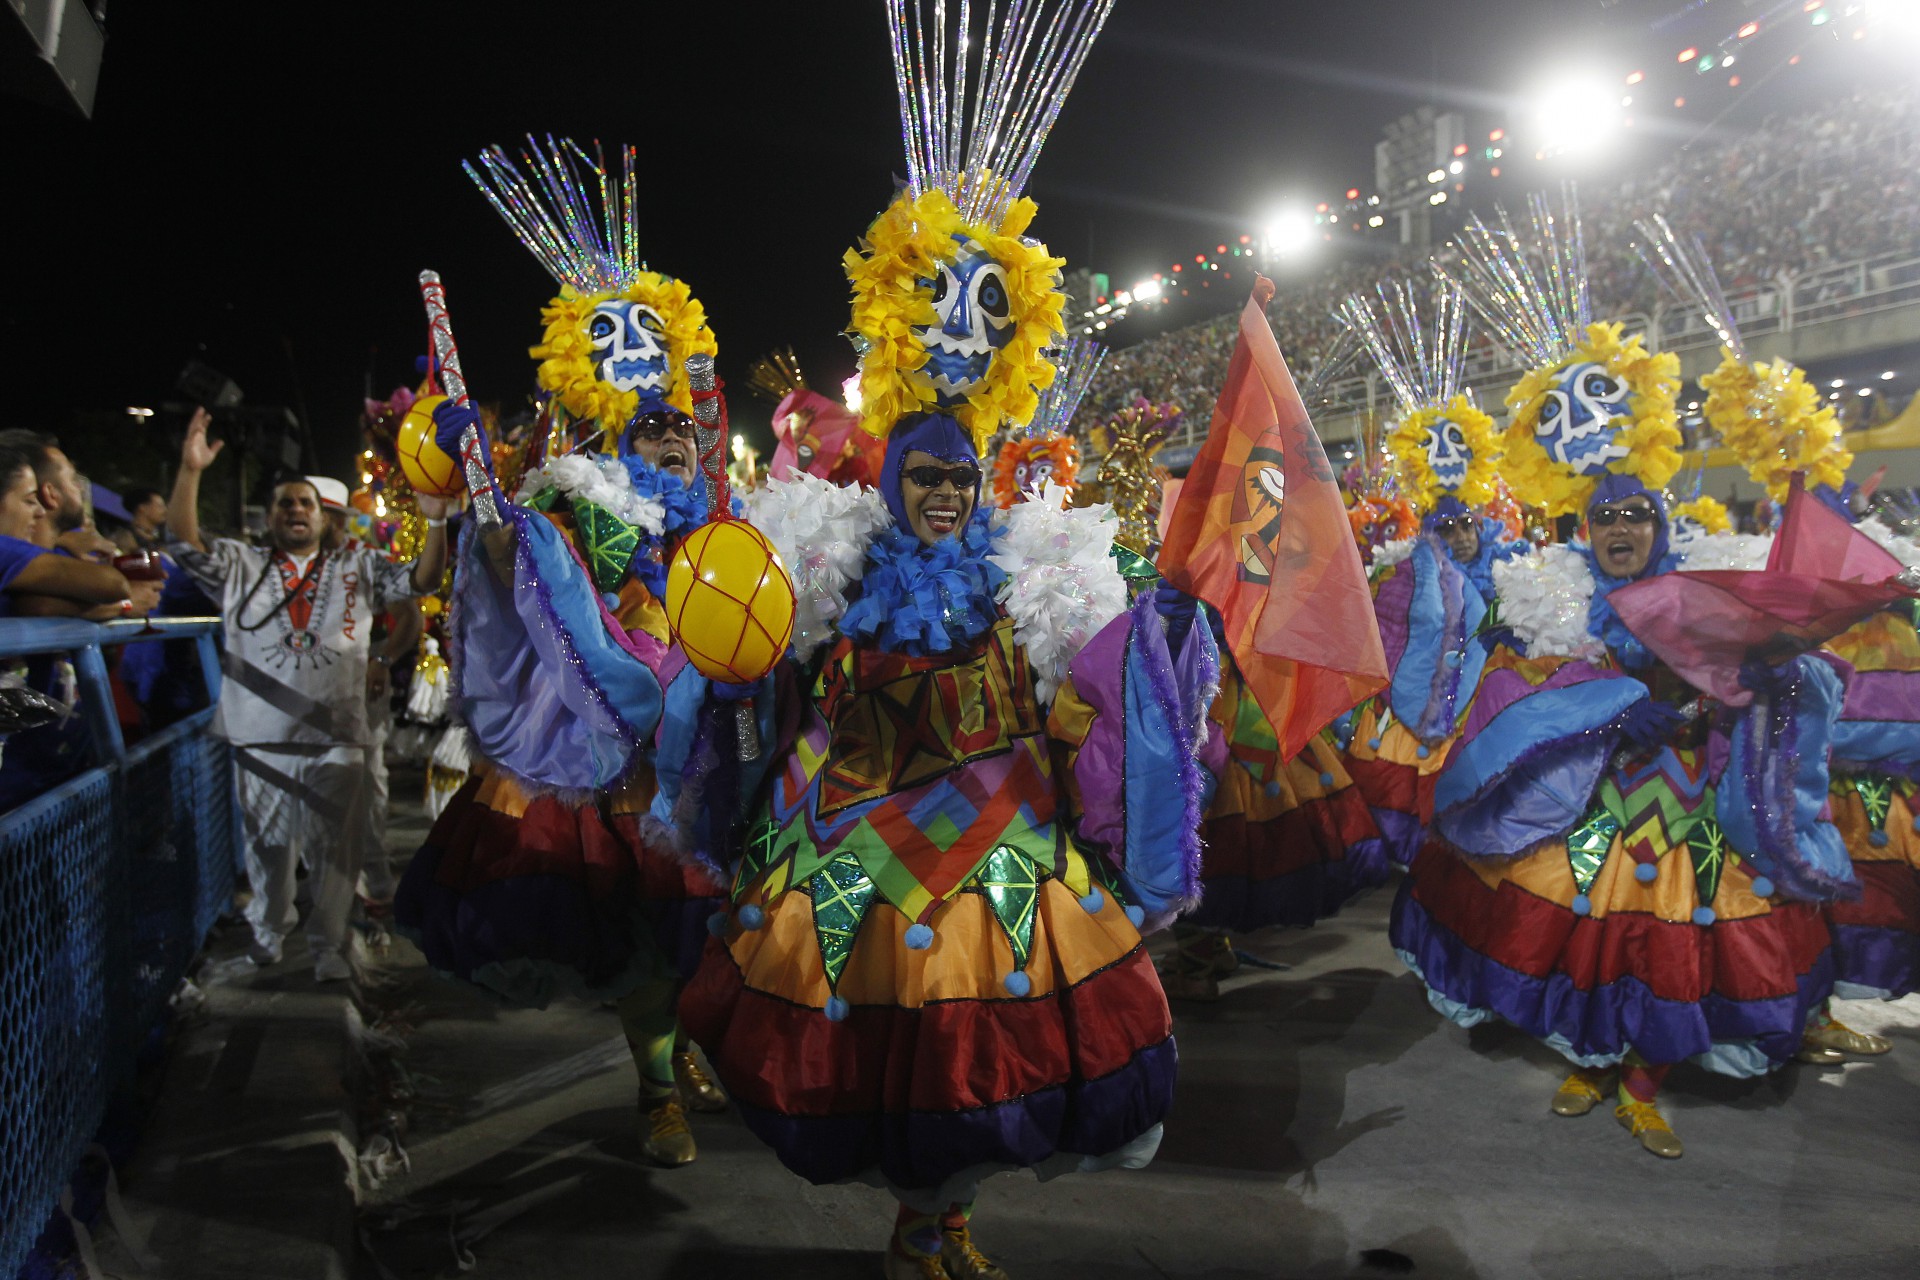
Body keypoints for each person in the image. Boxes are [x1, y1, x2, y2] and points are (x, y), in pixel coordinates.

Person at [672, 11, 1219, 1276]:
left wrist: (1166, 623)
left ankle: (945, 1219)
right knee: (881, 1054)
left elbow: (1102, 682)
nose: (943, 494)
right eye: (925, 476)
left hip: (998, 834)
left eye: (960, 479)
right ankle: (919, 1219)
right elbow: (751, 669)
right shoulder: (832, 549)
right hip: (856, 829)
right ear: (896, 473)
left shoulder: (1039, 560)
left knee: (987, 1052)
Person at [1394, 199, 1847, 1159]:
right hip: (1588, 783)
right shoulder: (1549, 590)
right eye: (1605, 521)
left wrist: (1738, 680)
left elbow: (1784, 660)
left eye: (1635, 516)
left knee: (1681, 928)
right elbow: (1506, 679)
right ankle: (1592, 1060)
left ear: (1658, 519)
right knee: (1590, 917)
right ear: (1582, 529)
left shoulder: (1704, 582)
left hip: (1691, 789)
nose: (1619, 531)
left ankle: (1646, 1078)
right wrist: (1602, 702)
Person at [395, 134, 734, 1168]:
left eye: (682, 430)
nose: (671, 443)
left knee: (708, 927)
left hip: (709, 752)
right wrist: (472, 485)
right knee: (640, 938)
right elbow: (503, 565)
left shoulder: (719, 515)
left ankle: (688, 1044)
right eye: (651, 432)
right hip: (615, 764)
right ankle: (654, 1084)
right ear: (614, 441)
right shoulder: (566, 504)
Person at [166, 407, 448, 981]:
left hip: (337, 738)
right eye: (284, 504)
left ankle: (328, 947)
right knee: (268, 852)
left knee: (334, 854)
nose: (295, 510)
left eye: (305, 504)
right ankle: (269, 934)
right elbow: (182, 539)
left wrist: (437, 522)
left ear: (323, 518)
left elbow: (421, 581)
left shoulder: (359, 565)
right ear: (268, 518)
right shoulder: (239, 564)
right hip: (261, 739)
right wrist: (191, 470)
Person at [122, 486, 167, 551]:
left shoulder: (164, 537)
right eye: (160, 506)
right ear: (142, 508)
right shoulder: (126, 538)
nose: (165, 511)